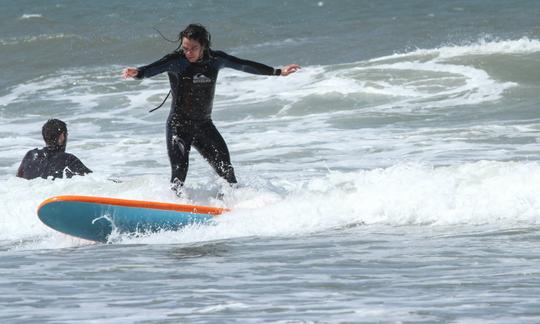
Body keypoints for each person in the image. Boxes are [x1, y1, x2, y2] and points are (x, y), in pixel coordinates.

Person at [123, 23, 299, 194]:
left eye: (193, 48)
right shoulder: (176, 61)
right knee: (179, 174)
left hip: (204, 126)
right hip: (179, 126)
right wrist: (138, 73)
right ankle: (173, 206)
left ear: (204, 46)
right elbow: (152, 68)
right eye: (185, 48)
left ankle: (231, 205)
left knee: (227, 172)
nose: (188, 52)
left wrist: (277, 71)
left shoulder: (215, 60)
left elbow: (243, 64)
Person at [16, 119, 92, 180]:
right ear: (62, 136)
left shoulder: (30, 155)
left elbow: (18, 179)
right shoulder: (68, 159)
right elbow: (94, 180)